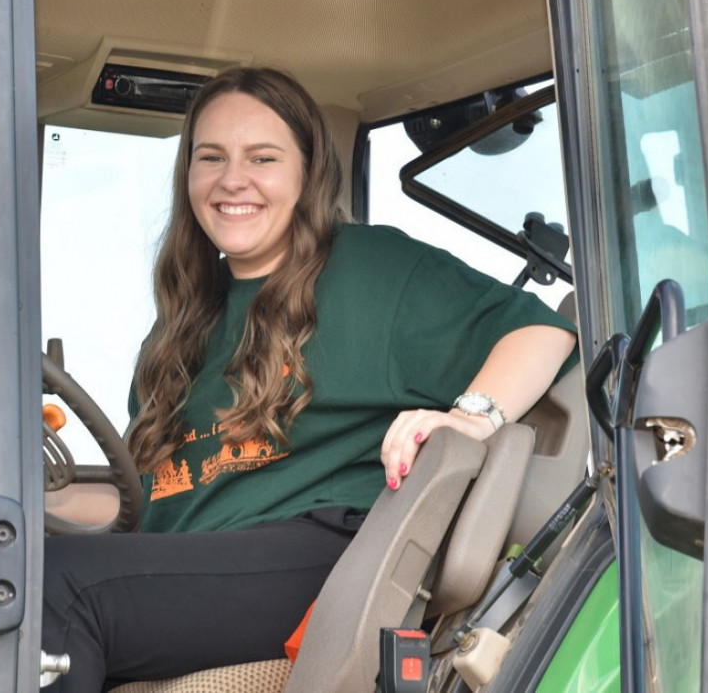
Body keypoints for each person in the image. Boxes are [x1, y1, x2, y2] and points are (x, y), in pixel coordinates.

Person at [42, 67, 576, 691]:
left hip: (321, 558)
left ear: (307, 173)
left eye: (262, 158)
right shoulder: (180, 327)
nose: (231, 179)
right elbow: (156, 498)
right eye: (210, 157)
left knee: (62, 585)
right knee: (6, 572)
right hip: (202, 569)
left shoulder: (370, 269)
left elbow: (542, 332)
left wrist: (466, 419)